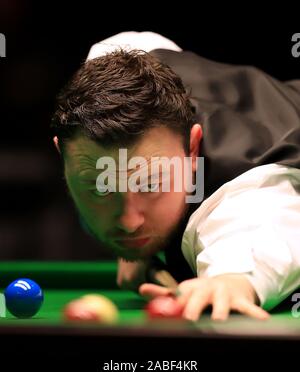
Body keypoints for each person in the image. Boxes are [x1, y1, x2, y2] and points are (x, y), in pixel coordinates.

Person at [51, 32, 300, 321]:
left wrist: (228, 282)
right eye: (99, 187)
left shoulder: (246, 193)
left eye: (151, 184)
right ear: (63, 157)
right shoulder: (128, 69)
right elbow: (136, 41)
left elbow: (267, 235)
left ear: (193, 149)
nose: (129, 223)